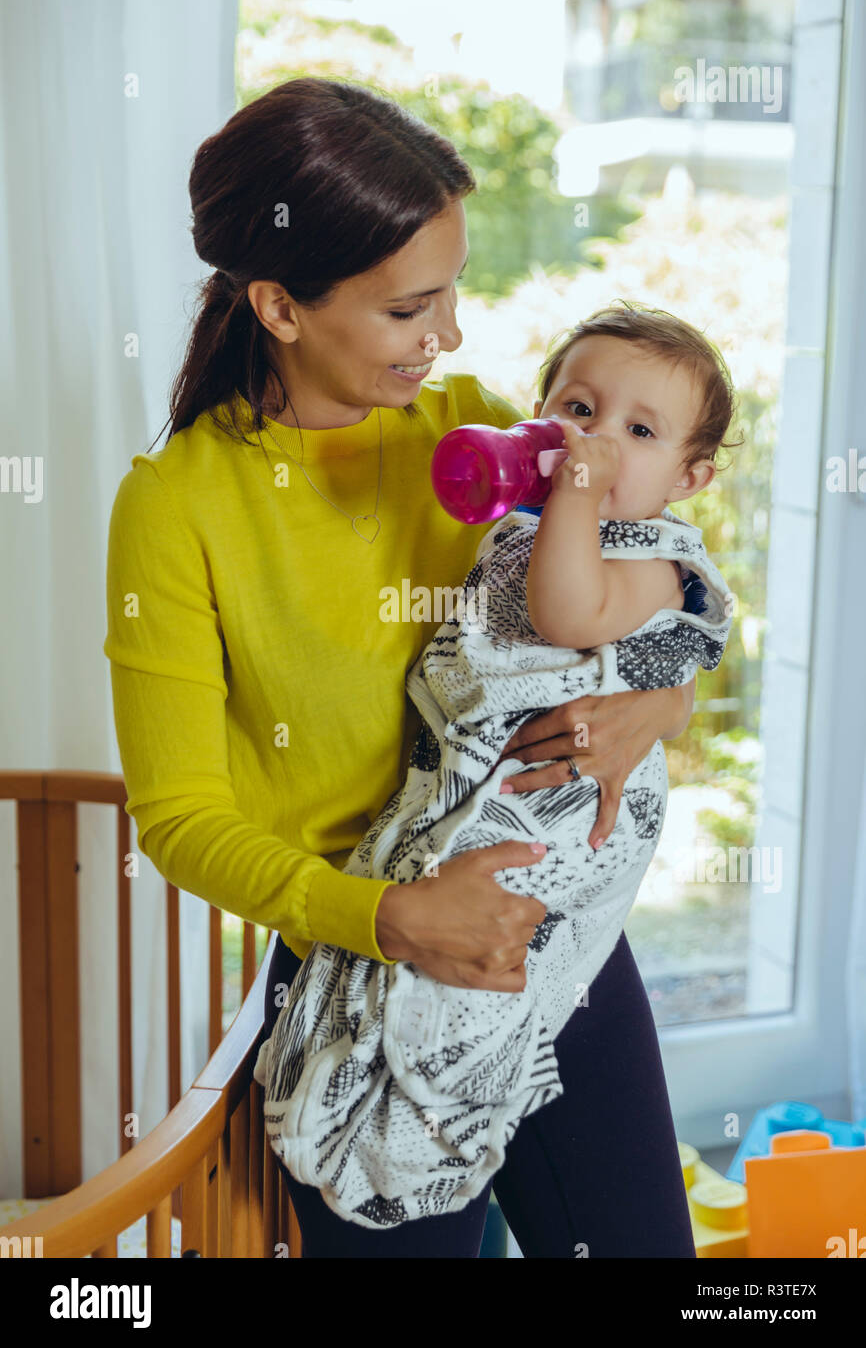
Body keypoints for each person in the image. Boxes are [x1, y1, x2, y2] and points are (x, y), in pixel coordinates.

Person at [103, 77, 700, 1259]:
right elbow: (177, 818)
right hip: (363, 975)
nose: (451, 339)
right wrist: (391, 918)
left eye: (455, 293)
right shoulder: (177, 508)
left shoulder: (483, 435)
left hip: (555, 940)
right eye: (410, 309)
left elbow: (651, 592)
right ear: (277, 303)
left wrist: (657, 702)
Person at [254, 304, 735, 1230]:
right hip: (461, 819)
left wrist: (579, 497)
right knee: (415, 990)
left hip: (554, 826)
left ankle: (440, 1107)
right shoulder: (527, 519)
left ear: (689, 478)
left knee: (470, 1010)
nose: (596, 439)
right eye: (579, 408)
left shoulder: (652, 559)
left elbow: (562, 616)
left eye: (639, 432)